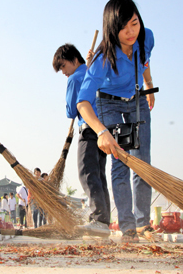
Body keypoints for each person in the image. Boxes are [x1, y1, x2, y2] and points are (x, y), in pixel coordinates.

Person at [77, 0, 155, 243]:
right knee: (122, 161)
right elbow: (83, 102)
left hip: (137, 99)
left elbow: (144, 61)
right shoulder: (102, 59)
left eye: (134, 23)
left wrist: (149, 84)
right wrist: (101, 131)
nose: (131, 32)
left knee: (143, 162)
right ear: (112, 29)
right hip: (109, 104)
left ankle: (144, 223)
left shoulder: (147, 37)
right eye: (123, 28)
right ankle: (128, 225)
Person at [53, 44, 111, 237]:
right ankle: (103, 221)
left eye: (62, 67)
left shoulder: (76, 78)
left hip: (88, 129)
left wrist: (71, 86)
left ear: (73, 60)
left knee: (86, 172)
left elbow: (71, 111)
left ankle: (98, 218)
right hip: (103, 130)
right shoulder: (91, 72)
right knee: (98, 176)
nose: (63, 72)